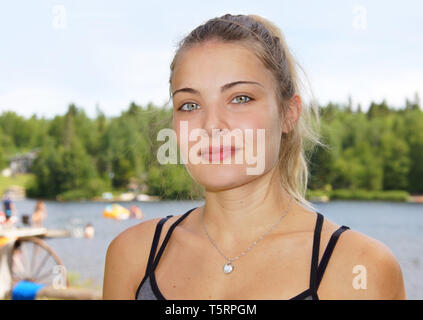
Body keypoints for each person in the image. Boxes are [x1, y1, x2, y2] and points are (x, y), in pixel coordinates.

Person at [103, 14, 406, 300]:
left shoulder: (360, 267)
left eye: (240, 98)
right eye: (190, 104)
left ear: (289, 114)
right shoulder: (133, 255)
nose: (211, 125)